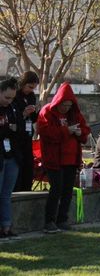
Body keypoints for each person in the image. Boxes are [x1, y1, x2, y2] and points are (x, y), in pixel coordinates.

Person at [38, 82, 90, 233]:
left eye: (68, 105)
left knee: (67, 190)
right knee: (56, 189)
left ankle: (62, 219)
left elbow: (85, 129)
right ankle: (49, 221)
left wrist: (81, 134)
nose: (66, 108)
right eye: (63, 105)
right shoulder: (47, 112)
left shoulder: (74, 114)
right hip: (54, 158)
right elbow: (47, 133)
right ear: (58, 102)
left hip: (71, 159)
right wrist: (67, 131)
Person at [0, 78, 23, 240]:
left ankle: (7, 227)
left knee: (6, 193)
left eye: (12, 98)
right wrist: (9, 128)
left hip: (12, 156)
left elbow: (19, 129)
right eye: (6, 97)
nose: (9, 101)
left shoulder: (13, 108)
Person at [13, 71, 39, 192]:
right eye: (29, 87)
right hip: (16, 135)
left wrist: (34, 112)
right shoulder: (14, 95)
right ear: (23, 83)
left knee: (28, 164)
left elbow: (34, 118)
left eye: (33, 88)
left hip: (27, 135)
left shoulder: (31, 96)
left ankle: (27, 188)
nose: (30, 90)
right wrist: (23, 114)